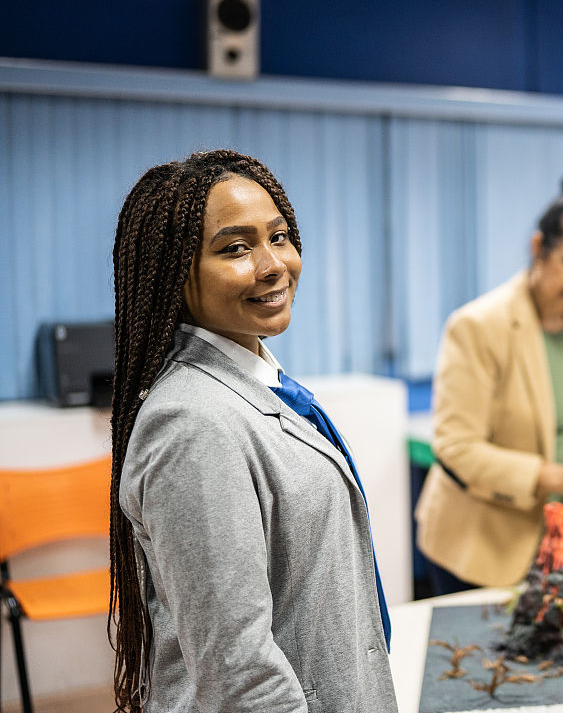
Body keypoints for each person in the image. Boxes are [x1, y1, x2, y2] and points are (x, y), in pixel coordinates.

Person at [109, 150, 398, 712]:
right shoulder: (192, 425)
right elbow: (238, 674)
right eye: (236, 248)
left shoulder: (257, 382)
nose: (273, 265)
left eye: (280, 237)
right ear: (173, 271)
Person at [415, 176, 563, 593]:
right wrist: (560, 478)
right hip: (482, 543)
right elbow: (457, 448)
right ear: (539, 248)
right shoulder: (479, 326)